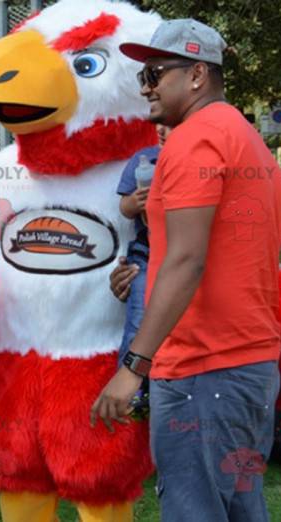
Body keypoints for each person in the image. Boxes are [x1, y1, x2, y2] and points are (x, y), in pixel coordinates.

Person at [91, 19, 281, 521]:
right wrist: (147, 276)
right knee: (241, 507)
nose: (146, 88)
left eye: (155, 74)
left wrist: (133, 368)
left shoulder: (192, 141)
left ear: (197, 75)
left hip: (204, 371)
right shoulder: (246, 139)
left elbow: (187, 259)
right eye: (142, 77)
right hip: (247, 367)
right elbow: (218, 253)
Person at [117, 125, 170, 413]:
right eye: (159, 125)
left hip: (178, 256)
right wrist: (133, 203)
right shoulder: (144, 159)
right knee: (138, 320)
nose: (163, 129)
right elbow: (123, 206)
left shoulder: (196, 159)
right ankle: (132, 391)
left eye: (171, 124)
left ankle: (160, 388)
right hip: (146, 255)